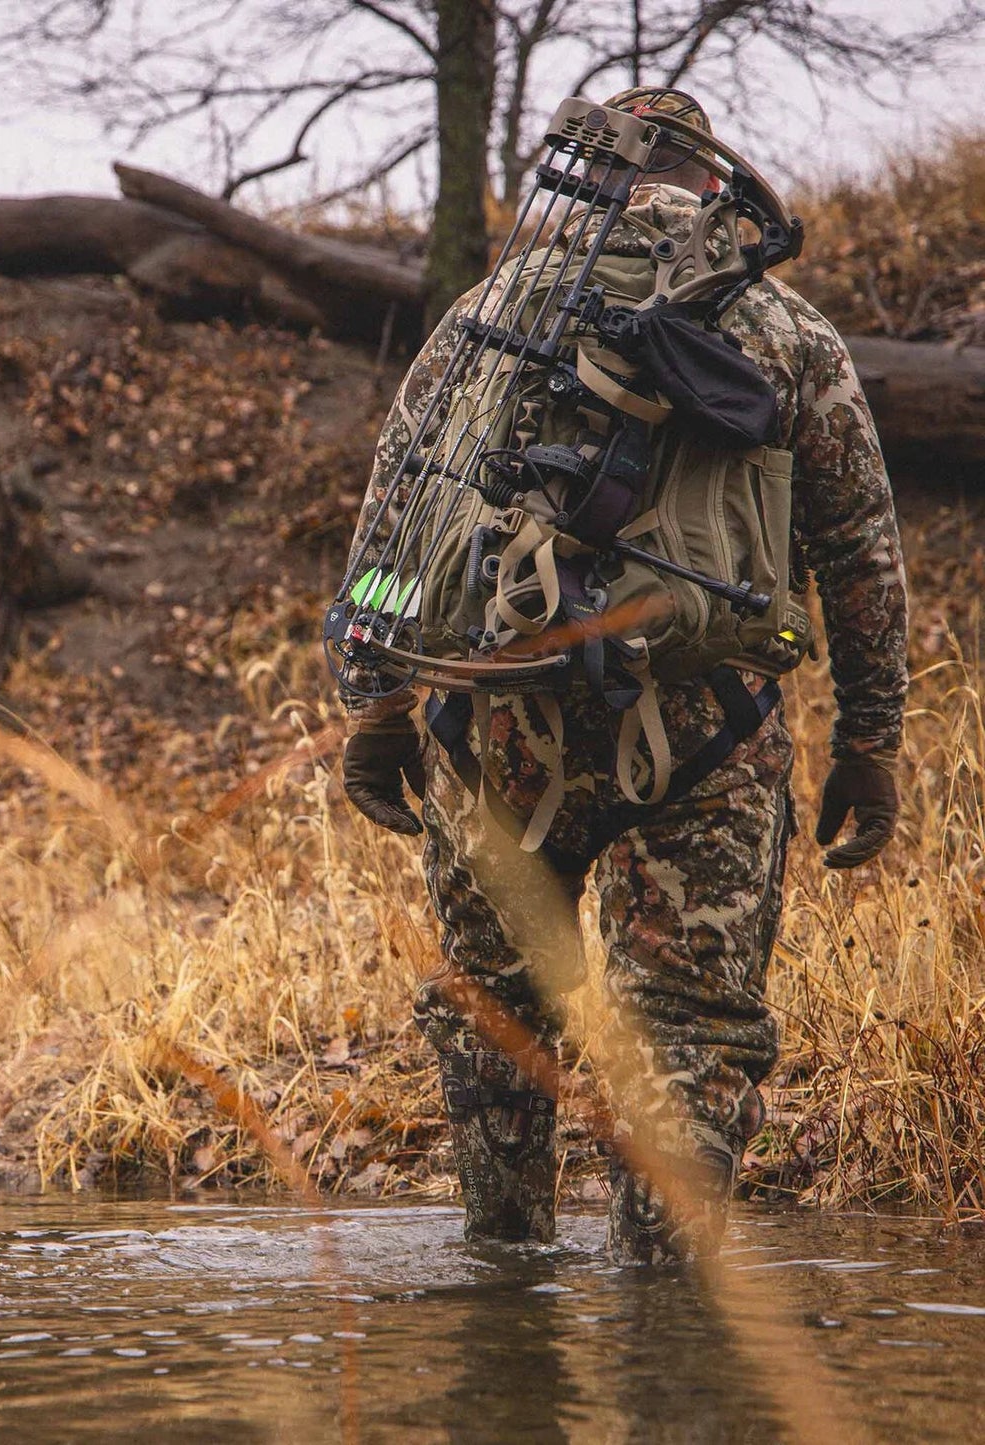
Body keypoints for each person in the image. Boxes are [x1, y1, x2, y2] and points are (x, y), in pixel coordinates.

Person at [339, 87, 909, 1262]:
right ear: (711, 187)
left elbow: (397, 514)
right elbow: (856, 549)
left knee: (497, 1020)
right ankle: (669, 1306)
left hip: (493, 725)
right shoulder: (785, 330)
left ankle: (500, 1280)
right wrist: (869, 740)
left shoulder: (491, 316)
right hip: (705, 730)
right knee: (689, 1034)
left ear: (591, 181)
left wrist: (378, 706)